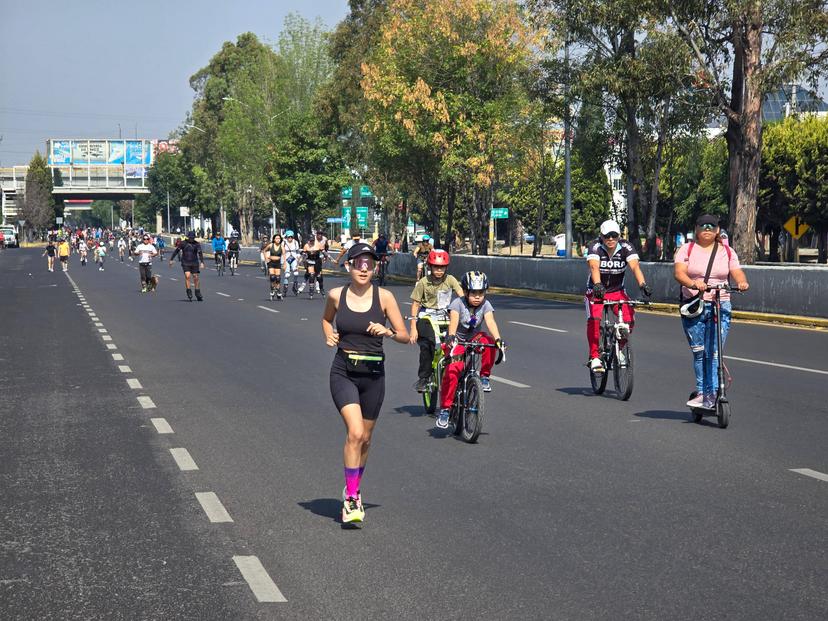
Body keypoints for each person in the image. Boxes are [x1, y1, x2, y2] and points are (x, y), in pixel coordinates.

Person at [322, 242, 409, 524]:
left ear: (374, 267)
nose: (363, 268)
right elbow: (326, 320)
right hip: (343, 372)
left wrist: (388, 331)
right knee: (356, 433)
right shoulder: (336, 295)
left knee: (367, 439)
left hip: (373, 376)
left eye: (369, 263)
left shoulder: (384, 298)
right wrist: (329, 334)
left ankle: (353, 488)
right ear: (349, 265)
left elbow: (405, 335)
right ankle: (350, 499)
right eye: (358, 262)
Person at [674, 214, 749, 409]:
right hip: (694, 305)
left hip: (720, 304)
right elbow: (679, 273)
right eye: (703, 225)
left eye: (711, 226)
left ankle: (713, 393)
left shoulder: (727, 251)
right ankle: (702, 392)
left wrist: (741, 281)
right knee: (700, 352)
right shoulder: (687, 249)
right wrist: (693, 283)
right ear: (696, 229)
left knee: (714, 353)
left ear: (717, 230)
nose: (707, 229)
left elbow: (736, 270)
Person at [436, 271, 505, 429]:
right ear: (466, 292)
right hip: (457, 340)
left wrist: (498, 340)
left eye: (481, 293)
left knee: (488, 341)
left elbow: (490, 322)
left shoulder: (486, 305)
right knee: (453, 371)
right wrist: (451, 338)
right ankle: (445, 409)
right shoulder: (457, 303)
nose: (477, 297)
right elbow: (453, 323)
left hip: (474, 339)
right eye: (473, 293)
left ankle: (485, 377)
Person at [585, 220, 651, 374]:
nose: (610, 239)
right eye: (607, 236)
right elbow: (594, 267)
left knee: (628, 320)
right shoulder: (595, 247)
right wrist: (598, 285)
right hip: (596, 290)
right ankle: (594, 356)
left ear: (619, 236)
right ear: (601, 236)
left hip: (617, 290)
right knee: (594, 320)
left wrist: (643, 285)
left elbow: (635, 266)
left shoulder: (626, 247)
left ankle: (621, 348)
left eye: (614, 236)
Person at [409, 249, 463, 392]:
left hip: (446, 315)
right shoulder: (423, 282)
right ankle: (424, 378)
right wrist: (413, 327)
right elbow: (415, 305)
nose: (439, 271)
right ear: (430, 267)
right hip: (427, 316)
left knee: (457, 342)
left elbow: (462, 295)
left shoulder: (450, 280)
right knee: (428, 344)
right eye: (436, 267)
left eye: (442, 267)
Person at [169, 231, 205, 301]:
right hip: (185, 262)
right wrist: (171, 259)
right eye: (190, 237)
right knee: (187, 276)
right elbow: (176, 251)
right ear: (188, 237)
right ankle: (188, 291)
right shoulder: (183, 243)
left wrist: (202, 262)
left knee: (195, 277)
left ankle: (197, 292)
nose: (191, 239)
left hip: (194, 262)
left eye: (193, 238)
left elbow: (200, 253)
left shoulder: (197, 244)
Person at [281, 230, 302, 295]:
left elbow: (297, 251)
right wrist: (283, 262)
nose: (290, 238)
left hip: (294, 258)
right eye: (288, 237)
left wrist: (298, 259)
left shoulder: (295, 242)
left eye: (291, 237)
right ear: (286, 237)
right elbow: (281, 252)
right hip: (286, 258)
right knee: (287, 275)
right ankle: (285, 288)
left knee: (296, 273)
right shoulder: (283, 243)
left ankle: (294, 286)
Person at [265, 234, 283, 300]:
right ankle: (272, 290)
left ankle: (278, 291)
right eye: (276, 238)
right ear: (274, 239)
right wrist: (266, 258)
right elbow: (264, 251)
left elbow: (284, 255)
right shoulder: (271, 245)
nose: (278, 240)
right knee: (272, 277)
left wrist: (284, 264)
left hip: (278, 263)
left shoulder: (281, 247)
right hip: (271, 263)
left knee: (278, 278)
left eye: (279, 238)